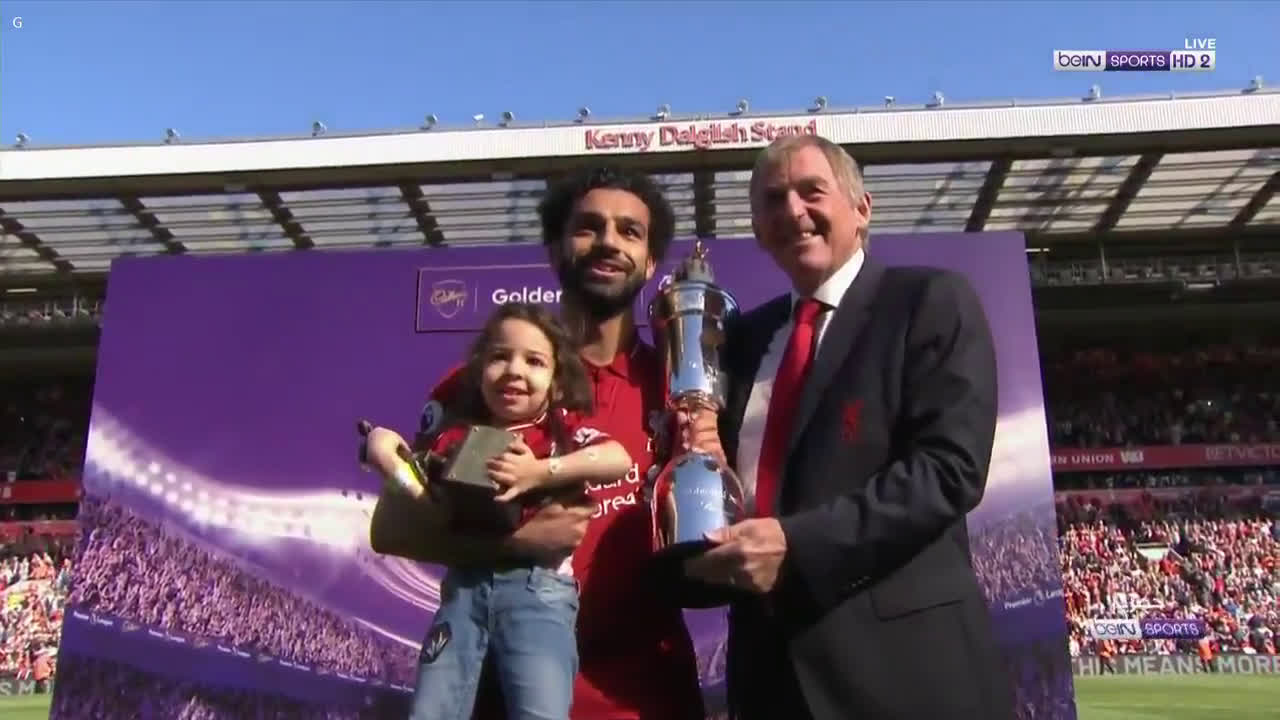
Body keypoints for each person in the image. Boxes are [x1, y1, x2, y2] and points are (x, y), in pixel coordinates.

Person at [683, 135, 1016, 719]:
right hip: (769, 676)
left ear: (861, 209)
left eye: (812, 191)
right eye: (773, 199)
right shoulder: (743, 341)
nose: (793, 210)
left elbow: (948, 471)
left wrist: (796, 545)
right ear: (758, 230)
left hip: (905, 674)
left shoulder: (928, 301)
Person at [366, 166, 706, 720]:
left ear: (650, 263)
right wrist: (519, 544)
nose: (608, 242)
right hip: (502, 695)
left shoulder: (682, 390)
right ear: (554, 250)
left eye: (629, 231)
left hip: (643, 700)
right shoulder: (482, 387)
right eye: (588, 227)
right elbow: (391, 528)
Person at [363, 301, 634, 720]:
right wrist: (389, 458)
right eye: (499, 357)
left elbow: (617, 458)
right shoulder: (455, 436)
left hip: (539, 593)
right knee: (432, 712)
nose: (514, 371)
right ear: (478, 371)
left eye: (534, 361)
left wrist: (539, 472)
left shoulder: (559, 430)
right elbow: (423, 503)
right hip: (464, 590)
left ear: (557, 382)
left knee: (540, 711)